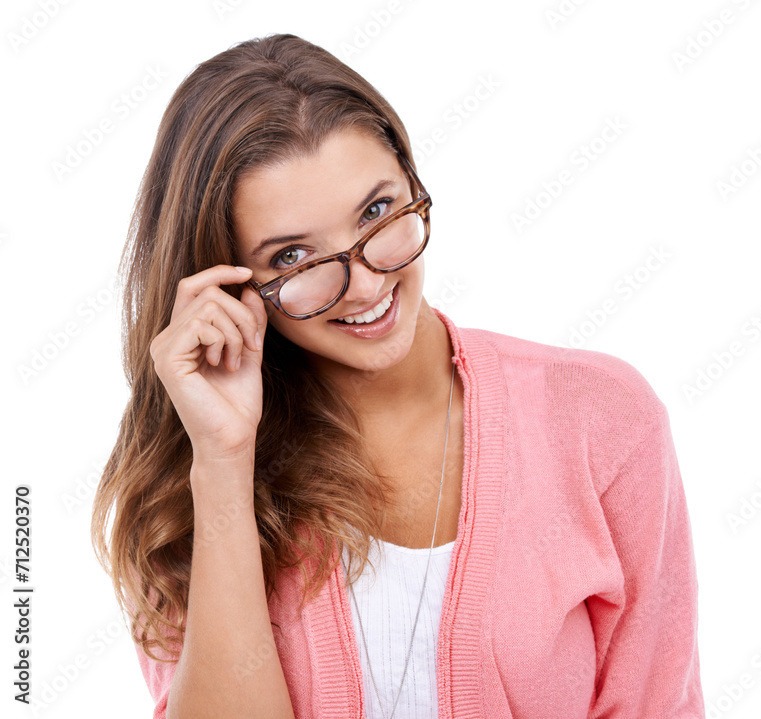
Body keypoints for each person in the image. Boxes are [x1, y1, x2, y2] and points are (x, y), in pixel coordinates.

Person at [90, 32, 705, 719]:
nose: (362, 283)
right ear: (229, 284)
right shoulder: (188, 478)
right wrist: (224, 459)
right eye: (295, 256)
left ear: (414, 181)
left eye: (378, 212)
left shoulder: (601, 418)